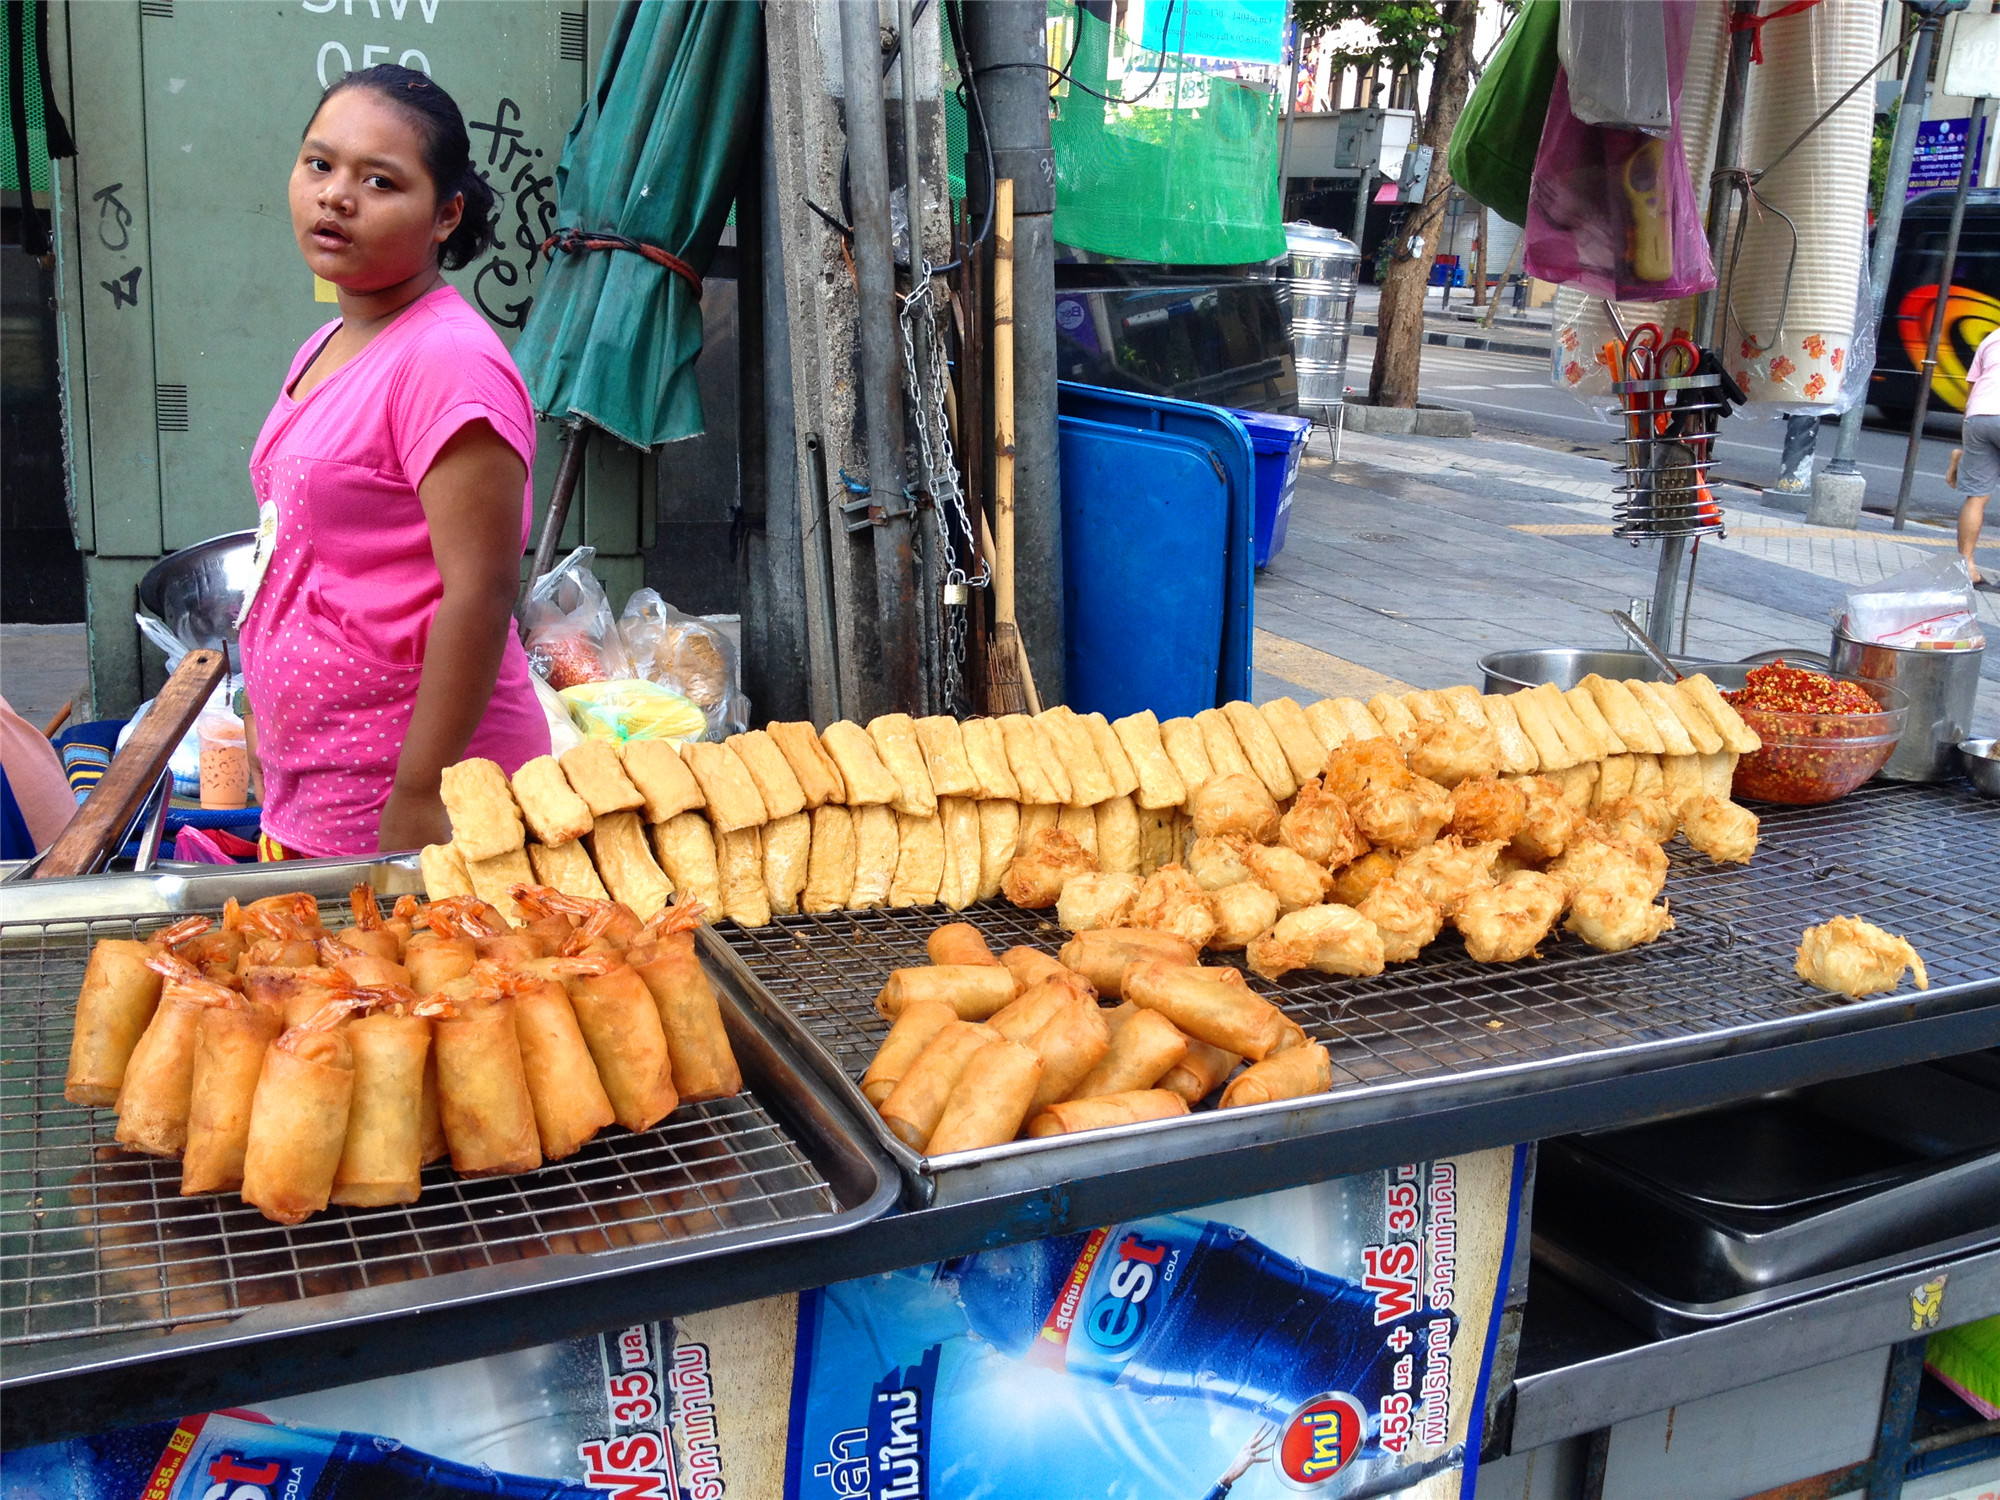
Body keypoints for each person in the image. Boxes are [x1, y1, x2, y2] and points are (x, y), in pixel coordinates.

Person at [239, 65, 549, 859]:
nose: (336, 195)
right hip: (326, 782)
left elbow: (480, 594)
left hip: (408, 800)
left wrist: (421, 795)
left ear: (445, 214)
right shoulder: (332, 338)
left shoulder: (448, 363)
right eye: (320, 164)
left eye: (379, 181)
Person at [1952, 327, 2000, 592]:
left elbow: (1972, 388)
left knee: (1977, 497)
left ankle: (1967, 567)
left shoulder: (1992, 338)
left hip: (1978, 416)